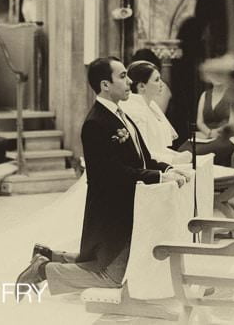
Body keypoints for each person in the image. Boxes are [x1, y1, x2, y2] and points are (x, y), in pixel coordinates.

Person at [15, 56, 190, 299]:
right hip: (111, 213)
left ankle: (49, 255)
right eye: (122, 76)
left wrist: (167, 170)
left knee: (101, 264)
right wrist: (158, 177)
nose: (129, 81)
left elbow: (144, 158)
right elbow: (112, 174)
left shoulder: (122, 115)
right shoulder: (96, 123)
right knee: (110, 277)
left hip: (130, 207)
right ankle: (43, 269)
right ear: (105, 85)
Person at [122, 61, 191, 165]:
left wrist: (176, 155)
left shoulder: (151, 106)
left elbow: (158, 148)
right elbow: (141, 153)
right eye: (157, 80)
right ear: (141, 86)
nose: (162, 84)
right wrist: (173, 160)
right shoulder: (135, 111)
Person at [178, 72, 234, 167]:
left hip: (225, 136)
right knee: (182, 151)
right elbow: (199, 122)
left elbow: (232, 122)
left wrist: (217, 132)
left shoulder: (232, 95)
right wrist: (209, 132)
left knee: (195, 154)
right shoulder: (204, 95)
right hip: (206, 135)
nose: (217, 77)